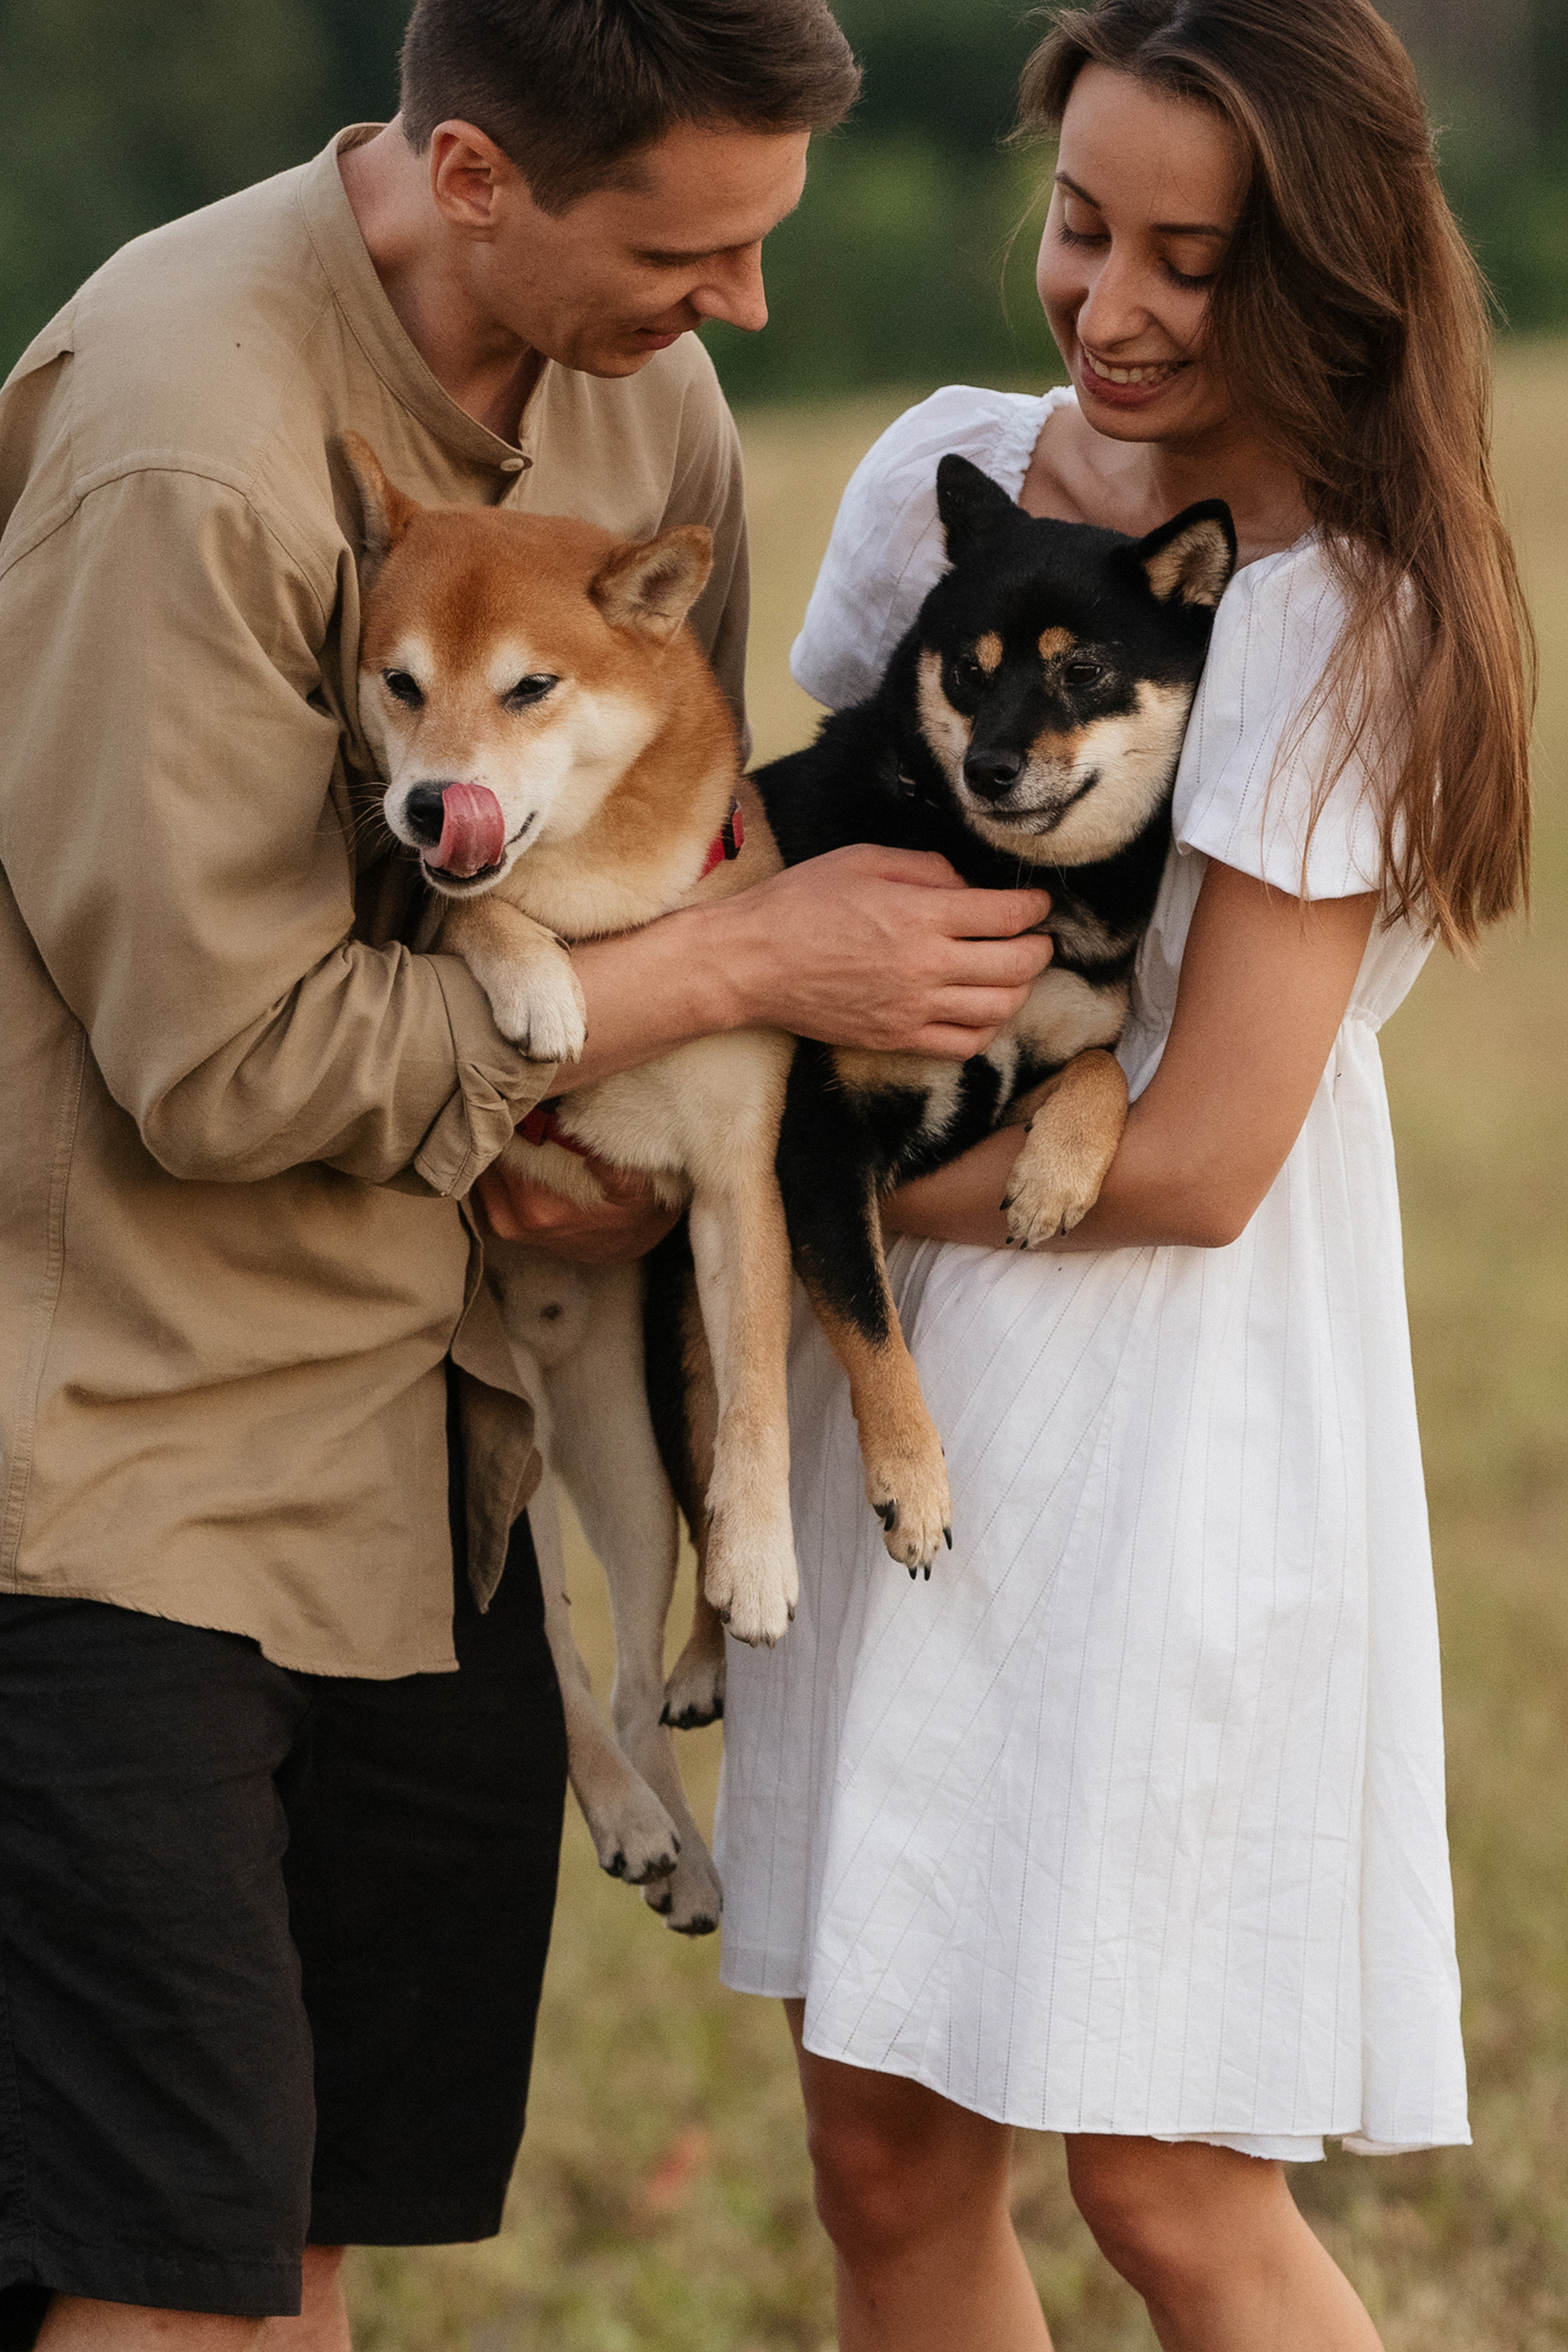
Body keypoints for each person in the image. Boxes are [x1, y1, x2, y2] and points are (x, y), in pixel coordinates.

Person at [0, 4, 1058, 2347]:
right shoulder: (185, 447)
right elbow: (224, 1063)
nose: (750, 313)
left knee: (295, 2244)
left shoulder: (638, 401)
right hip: (123, 1486)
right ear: (473, 176)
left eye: (761, 245)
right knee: (159, 2274)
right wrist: (725, 983)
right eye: (692, 250)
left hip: (444, 1458)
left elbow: (673, 828)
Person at [712, 3, 1534, 2347]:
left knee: (1163, 2177)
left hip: (1167, 1420)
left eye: (1199, 256)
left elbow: (1190, 1164)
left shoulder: (1328, 608)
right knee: (880, 2148)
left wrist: (817, 1196)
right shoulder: (946, 477)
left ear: (1329, 278)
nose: (1116, 303)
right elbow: (805, 859)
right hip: (909, 1391)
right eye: (1085, 226)